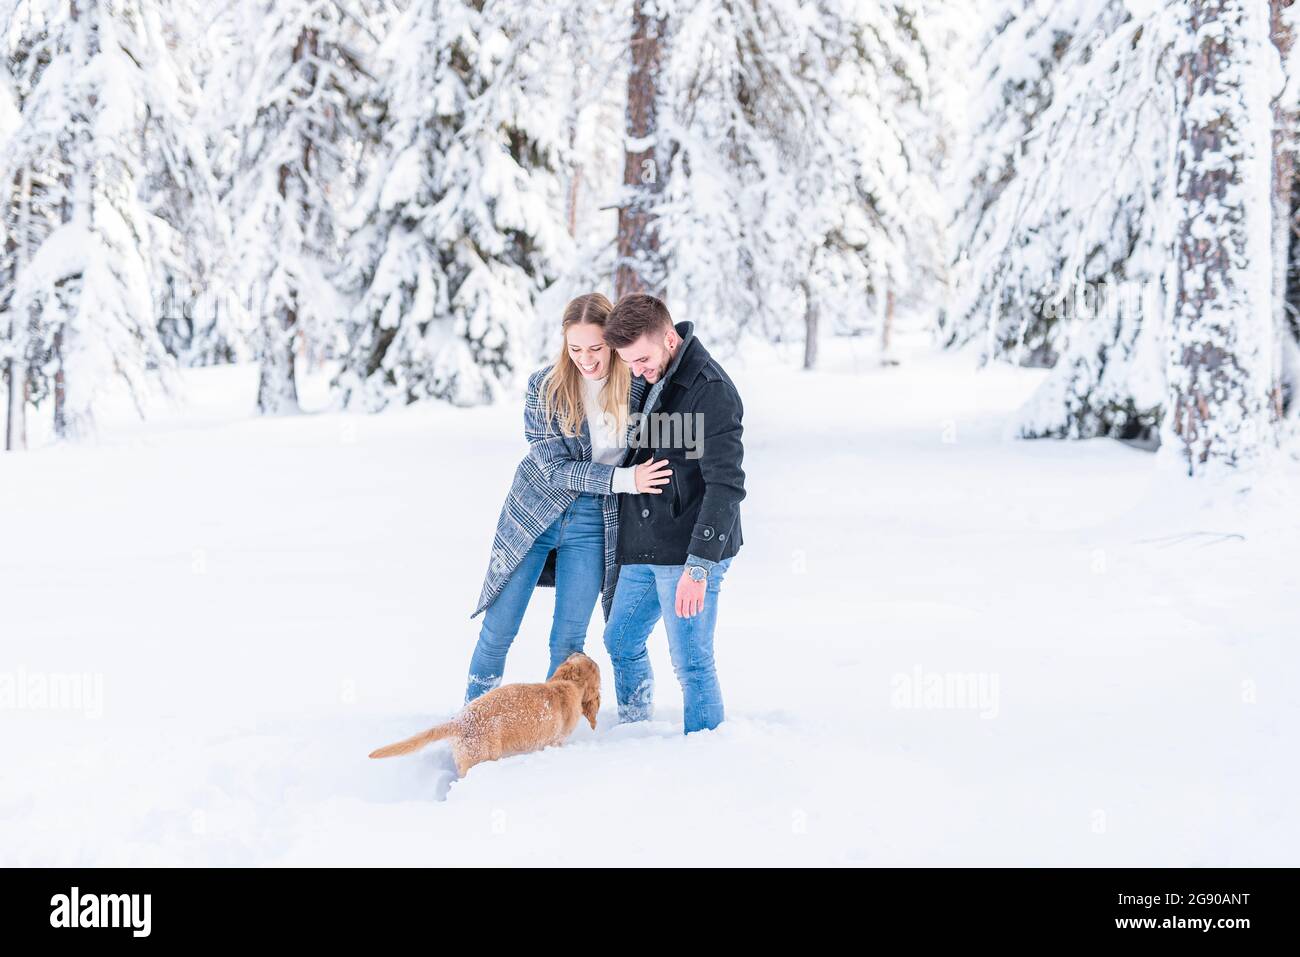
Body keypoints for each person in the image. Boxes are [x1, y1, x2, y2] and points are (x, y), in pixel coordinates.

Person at [466, 293, 672, 703]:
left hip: (596, 521)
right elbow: (552, 468)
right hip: (535, 514)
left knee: (568, 640)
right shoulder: (545, 386)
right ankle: (472, 719)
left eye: (596, 348)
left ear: (613, 342)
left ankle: (548, 728)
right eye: (575, 348)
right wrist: (625, 479)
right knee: (499, 629)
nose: (586, 359)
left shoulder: (636, 388)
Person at [600, 294, 746, 733]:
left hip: (689, 550)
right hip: (646, 543)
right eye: (629, 363)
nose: (637, 370)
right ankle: (634, 730)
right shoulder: (647, 377)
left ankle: (703, 759)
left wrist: (699, 567)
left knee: (692, 664)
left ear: (669, 338)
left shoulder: (710, 390)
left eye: (642, 359)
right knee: (620, 640)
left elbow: (726, 486)